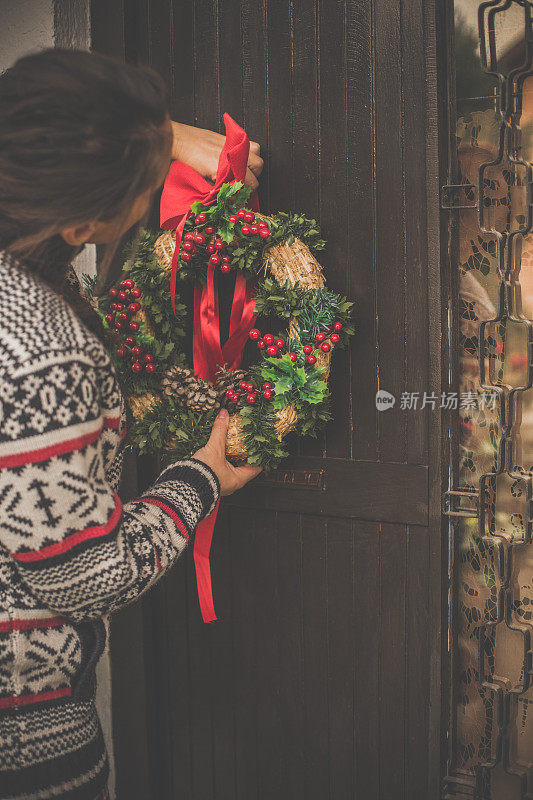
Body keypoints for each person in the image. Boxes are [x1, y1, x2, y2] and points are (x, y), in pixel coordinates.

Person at [0, 48, 262, 800]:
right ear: (83, 222)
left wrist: (152, 135)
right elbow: (82, 577)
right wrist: (201, 477)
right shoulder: (40, 357)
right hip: (26, 746)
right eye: (144, 192)